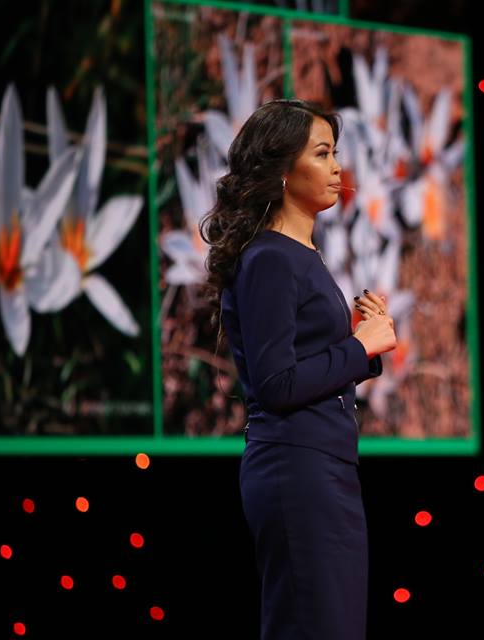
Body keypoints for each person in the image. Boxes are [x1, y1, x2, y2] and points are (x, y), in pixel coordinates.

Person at [200, 97, 398, 639]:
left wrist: (363, 345)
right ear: (283, 170)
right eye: (323, 153)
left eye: (336, 154)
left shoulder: (296, 254)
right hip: (297, 467)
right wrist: (360, 347)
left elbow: (306, 366)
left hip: (322, 465)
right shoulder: (270, 258)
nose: (338, 168)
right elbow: (276, 384)